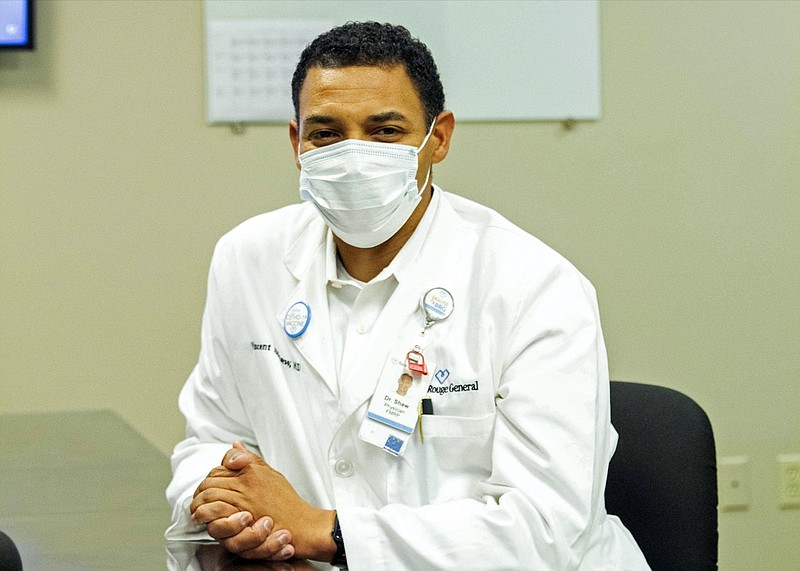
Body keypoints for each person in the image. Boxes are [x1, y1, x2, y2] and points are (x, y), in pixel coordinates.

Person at [166, 21, 650, 570]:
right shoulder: (246, 259)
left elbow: (544, 529)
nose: (353, 155)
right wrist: (224, 503)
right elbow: (210, 441)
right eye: (325, 133)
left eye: (384, 131)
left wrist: (328, 531)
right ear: (297, 143)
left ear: (437, 137)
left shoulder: (533, 285)